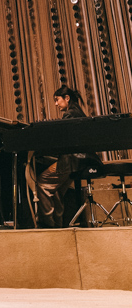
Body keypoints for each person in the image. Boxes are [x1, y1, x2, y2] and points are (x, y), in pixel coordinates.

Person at [35, 84, 87, 228]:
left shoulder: (69, 114)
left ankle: (47, 223)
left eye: (57, 100)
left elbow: (62, 139)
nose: (56, 104)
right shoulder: (78, 111)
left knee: (42, 183)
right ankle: (59, 225)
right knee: (56, 191)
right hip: (78, 162)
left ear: (67, 98)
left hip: (70, 161)